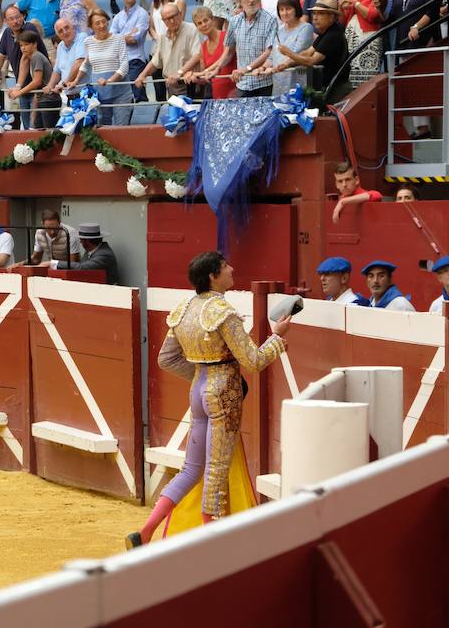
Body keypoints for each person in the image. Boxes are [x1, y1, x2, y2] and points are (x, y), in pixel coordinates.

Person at [125, 250, 289, 548]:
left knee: (191, 469)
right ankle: (208, 544)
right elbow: (252, 360)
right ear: (213, 275)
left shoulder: (184, 308)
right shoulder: (222, 312)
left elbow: (166, 359)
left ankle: (145, 532)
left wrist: (203, 378)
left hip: (199, 388)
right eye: (226, 266)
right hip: (223, 391)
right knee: (216, 470)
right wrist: (277, 338)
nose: (232, 269)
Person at [201, 0, 277, 97]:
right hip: (242, 83)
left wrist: (246, 69)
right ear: (239, 0)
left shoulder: (270, 20)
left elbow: (268, 51)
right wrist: (218, 69)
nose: (251, 0)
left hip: (263, 82)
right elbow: (228, 52)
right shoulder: (234, 21)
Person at [0, 3, 49, 127]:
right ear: (6, 21)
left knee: (37, 128)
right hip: (24, 89)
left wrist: (18, 87)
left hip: (40, 90)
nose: (16, 21)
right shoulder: (7, 33)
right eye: (11, 19)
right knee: (28, 129)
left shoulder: (29, 28)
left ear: (23, 16)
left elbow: (25, 59)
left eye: (18, 17)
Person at [68, 7, 132, 126]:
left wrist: (109, 81)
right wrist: (75, 81)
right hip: (100, 92)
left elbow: (124, 66)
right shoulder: (88, 41)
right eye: (97, 23)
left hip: (120, 91)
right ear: (91, 27)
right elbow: (86, 63)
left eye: (104, 21)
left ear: (108, 22)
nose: (102, 25)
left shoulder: (118, 38)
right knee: (102, 127)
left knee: (121, 128)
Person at [339, 0, 390, 88]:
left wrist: (354, 2)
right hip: (351, 38)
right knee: (351, 78)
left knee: (366, 78)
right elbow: (344, 20)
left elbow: (372, 16)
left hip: (368, 37)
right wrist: (341, 7)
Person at [135, 1, 201, 97]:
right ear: (163, 21)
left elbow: (197, 55)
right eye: (167, 19)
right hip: (171, 87)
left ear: (180, 14)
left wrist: (179, 73)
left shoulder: (192, 29)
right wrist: (143, 75)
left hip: (189, 85)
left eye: (173, 16)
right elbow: (155, 62)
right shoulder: (162, 36)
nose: (171, 21)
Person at [7, 28, 59, 129]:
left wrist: (19, 92)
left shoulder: (36, 57)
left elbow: (37, 81)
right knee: (37, 131)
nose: (23, 48)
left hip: (49, 100)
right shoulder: (32, 58)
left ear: (34, 44)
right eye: (21, 45)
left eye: (26, 44)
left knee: (49, 133)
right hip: (42, 99)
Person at [110, 0, 150, 101]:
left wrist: (119, 37)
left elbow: (134, 39)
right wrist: (125, 37)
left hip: (135, 61)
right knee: (123, 98)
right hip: (119, 61)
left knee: (138, 95)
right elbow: (110, 39)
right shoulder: (117, 17)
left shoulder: (142, 14)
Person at [267, 0, 315, 95]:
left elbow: (299, 53)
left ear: (296, 9)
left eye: (288, 9)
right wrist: (262, 68)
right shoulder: (279, 31)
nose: (285, 13)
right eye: (281, 10)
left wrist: (282, 64)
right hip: (278, 80)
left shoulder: (305, 28)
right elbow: (272, 56)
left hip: (296, 79)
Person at [184, 6, 235, 99]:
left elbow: (223, 59)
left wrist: (200, 73)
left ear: (212, 20)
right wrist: (194, 77)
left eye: (205, 20)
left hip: (234, 92)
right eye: (199, 23)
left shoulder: (227, 37)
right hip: (217, 96)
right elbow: (205, 79)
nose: (203, 25)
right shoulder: (202, 47)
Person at [51, 222, 119, 284]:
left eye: (81, 240)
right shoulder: (92, 250)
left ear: (87, 242)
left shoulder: (104, 254)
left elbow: (82, 267)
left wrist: (53, 263)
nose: (80, 243)